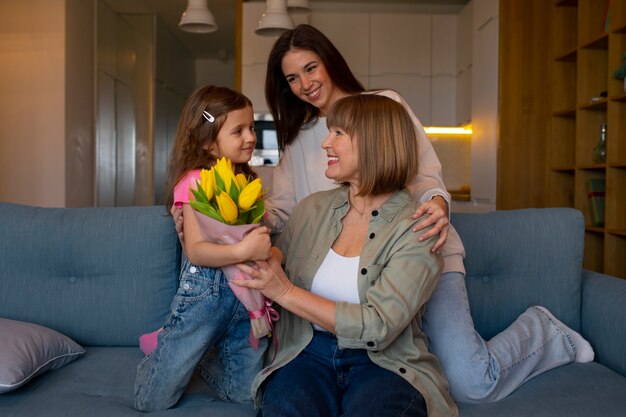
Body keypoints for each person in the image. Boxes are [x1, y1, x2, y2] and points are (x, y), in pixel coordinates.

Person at [259, 23, 594, 403]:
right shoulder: (300, 138)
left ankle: (547, 333)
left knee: (471, 383)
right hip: (359, 275)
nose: (305, 83)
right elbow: (281, 211)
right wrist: (231, 220)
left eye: (310, 68)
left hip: (420, 246)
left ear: (329, 62)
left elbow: (424, 175)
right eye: (292, 78)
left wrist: (436, 203)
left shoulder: (385, 105)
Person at [234, 94, 457, 417]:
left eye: (338, 133)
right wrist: (210, 223)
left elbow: (378, 325)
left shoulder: (417, 228)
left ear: (376, 143)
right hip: (306, 353)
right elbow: (278, 254)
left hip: (384, 363)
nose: (326, 143)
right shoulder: (312, 209)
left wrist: (284, 291)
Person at [134, 85, 271, 412]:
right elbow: (197, 250)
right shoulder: (195, 181)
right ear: (209, 142)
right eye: (238, 131)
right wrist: (243, 251)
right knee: (152, 400)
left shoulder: (247, 180)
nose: (250, 137)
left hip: (247, 297)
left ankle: (204, 356)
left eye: (251, 127)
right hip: (205, 295)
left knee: (245, 397)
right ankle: (164, 351)